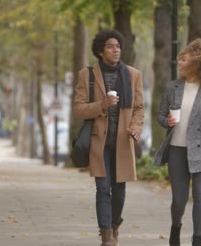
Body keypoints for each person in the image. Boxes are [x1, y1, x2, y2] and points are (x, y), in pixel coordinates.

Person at [154, 39, 201, 246]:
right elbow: (160, 115)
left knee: (199, 195)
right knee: (179, 200)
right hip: (177, 150)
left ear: (195, 62)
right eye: (178, 59)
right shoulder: (173, 87)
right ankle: (175, 227)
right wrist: (166, 120)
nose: (179, 63)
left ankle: (197, 240)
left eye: (183, 59)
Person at [73, 29, 144, 246]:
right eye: (111, 47)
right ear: (101, 51)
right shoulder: (87, 75)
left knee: (120, 191)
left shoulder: (133, 75)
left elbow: (139, 108)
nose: (116, 50)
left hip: (123, 141)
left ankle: (114, 227)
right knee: (103, 189)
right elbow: (78, 109)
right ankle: (106, 237)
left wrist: (135, 127)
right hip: (99, 142)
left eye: (118, 46)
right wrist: (100, 106)